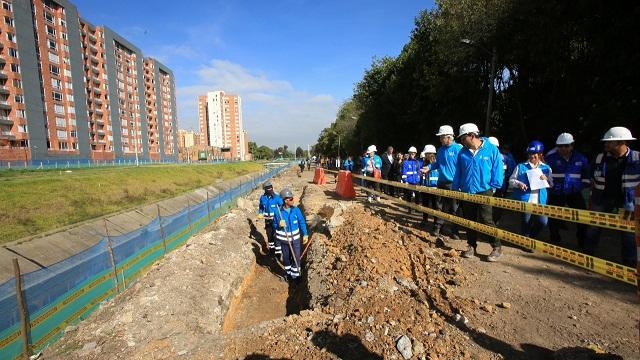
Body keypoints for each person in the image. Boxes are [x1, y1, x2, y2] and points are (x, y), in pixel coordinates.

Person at [584, 127, 639, 267]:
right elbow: (592, 178)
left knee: (628, 232)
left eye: (609, 142)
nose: (605, 144)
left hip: (627, 201)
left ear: (620, 142)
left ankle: (629, 262)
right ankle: (587, 254)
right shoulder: (599, 158)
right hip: (601, 199)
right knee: (593, 228)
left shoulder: (637, 159)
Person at [453, 123, 504, 262]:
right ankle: (471, 246)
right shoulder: (462, 153)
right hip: (467, 190)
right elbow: (458, 172)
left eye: (463, 139)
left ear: (472, 136)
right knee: (470, 220)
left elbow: (498, 169)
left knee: (486, 219)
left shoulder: (491, 149)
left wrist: (494, 186)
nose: (461, 142)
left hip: (484, 190)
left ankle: (496, 246)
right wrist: (455, 187)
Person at [545, 133, 590, 245]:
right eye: (560, 146)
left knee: (582, 216)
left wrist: (579, 187)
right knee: (553, 216)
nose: (563, 148)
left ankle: (582, 240)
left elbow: (587, 177)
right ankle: (554, 238)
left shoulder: (581, 158)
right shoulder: (550, 158)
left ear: (572, 145)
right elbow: (543, 175)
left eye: (566, 145)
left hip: (574, 192)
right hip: (556, 193)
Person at [509, 140, 553, 244]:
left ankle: (530, 238)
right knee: (526, 222)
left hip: (541, 200)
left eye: (534, 154)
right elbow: (511, 181)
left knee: (543, 222)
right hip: (526, 199)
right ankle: (526, 242)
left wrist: (546, 179)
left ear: (540, 154)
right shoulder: (520, 166)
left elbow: (552, 184)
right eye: (530, 154)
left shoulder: (547, 168)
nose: (532, 156)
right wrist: (519, 184)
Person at [426, 125, 463, 238]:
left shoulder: (459, 149)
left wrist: (461, 183)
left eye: (442, 137)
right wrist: (429, 167)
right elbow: (437, 164)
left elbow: (464, 166)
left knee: (454, 208)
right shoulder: (441, 150)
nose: (440, 139)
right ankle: (437, 228)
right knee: (439, 206)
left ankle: (454, 231)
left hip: (453, 183)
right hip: (441, 182)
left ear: (448, 137)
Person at [273, 188, 309, 282]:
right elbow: (274, 225)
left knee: (296, 257)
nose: (293, 200)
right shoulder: (278, 212)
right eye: (291, 199)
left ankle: (296, 276)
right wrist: (279, 225)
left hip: (296, 239)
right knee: (286, 258)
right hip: (284, 240)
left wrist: (305, 234)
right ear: (285, 200)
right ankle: (288, 274)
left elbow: (301, 222)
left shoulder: (296, 210)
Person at [488, 136, 516, 225]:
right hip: (495, 185)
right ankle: (492, 221)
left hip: (498, 186)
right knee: (494, 205)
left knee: (495, 205)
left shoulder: (505, 158)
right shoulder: (505, 157)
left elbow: (511, 170)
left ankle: (494, 221)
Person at [258, 182, 284, 256]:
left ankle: (278, 253)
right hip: (267, 220)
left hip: (276, 220)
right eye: (268, 188)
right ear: (265, 189)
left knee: (276, 235)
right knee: (269, 235)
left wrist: (283, 219)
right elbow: (261, 206)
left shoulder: (277, 198)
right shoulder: (262, 198)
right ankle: (272, 251)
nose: (270, 189)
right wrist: (260, 212)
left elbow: (283, 208)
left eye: (271, 188)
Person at [419, 145, 439, 229]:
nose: (425, 155)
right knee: (425, 205)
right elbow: (423, 176)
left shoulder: (437, 163)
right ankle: (425, 220)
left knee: (436, 206)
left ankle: (436, 223)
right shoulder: (425, 162)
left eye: (426, 153)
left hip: (435, 187)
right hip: (425, 187)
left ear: (431, 153)